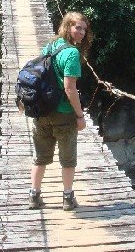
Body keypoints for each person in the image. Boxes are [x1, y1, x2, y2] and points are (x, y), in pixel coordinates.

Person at [29, 11, 92, 211]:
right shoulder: (72, 53)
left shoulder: (49, 47)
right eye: (77, 28)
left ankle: (34, 196)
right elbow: (69, 88)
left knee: (40, 157)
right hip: (63, 113)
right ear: (68, 27)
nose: (82, 33)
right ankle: (67, 198)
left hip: (42, 111)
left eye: (84, 29)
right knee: (68, 159)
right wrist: (80, 116)